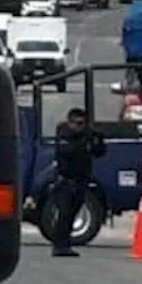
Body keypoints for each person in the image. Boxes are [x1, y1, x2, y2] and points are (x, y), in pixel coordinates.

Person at [50, 108, 105, 257]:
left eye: (82, 123)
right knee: (64, 213)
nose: (79, 127)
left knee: (73, 212)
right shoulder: (64, 135)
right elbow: (67, 152)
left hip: (81, 179)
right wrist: (83, 141)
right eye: (76, 123)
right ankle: (59, 245)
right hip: (66, 180)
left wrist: (97, 139)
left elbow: (99, 153)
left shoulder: (84, 137)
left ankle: (65, 244)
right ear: (70, 122)